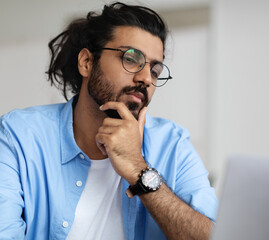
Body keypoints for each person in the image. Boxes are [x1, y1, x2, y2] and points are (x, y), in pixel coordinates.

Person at [0, 2, 218, 240]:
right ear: (86, 62)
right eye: (131, 58)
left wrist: (139, 170)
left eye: (154, 71)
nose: (146, 78)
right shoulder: (17, 136)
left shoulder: (173, 144)